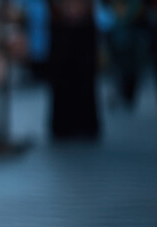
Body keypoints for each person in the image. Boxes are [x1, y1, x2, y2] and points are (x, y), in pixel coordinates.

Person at [47, 0, 100, 139]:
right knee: (63, 79)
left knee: (84, 78)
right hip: (63, 29)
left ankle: (83, 124)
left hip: (82, 28)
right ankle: (65, 125)